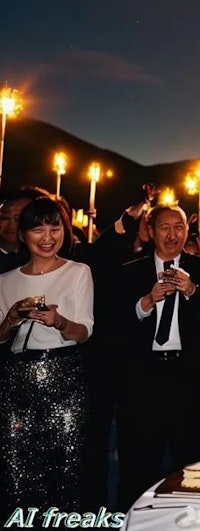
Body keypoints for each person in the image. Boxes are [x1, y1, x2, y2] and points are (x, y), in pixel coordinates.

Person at [115, 205, 200, 508]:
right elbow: (116, 326)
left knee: (191, 463)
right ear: (150, 231)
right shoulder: (130, 270)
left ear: (186, 232)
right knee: (138, 465)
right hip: (144, 380)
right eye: (165, 227)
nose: (172, 234)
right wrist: (146, 302)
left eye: (179, 227)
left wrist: (192, 290)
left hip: (190, 379)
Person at [0, 196, 94, 512]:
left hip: (65, 376)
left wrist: (59, 321)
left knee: (66, 469)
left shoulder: (79, 272)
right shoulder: (5, 281)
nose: (48, 237)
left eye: (55, 228)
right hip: (16, 382)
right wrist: (11, 318)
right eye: (38, 229)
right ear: (23, 235)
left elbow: (83, 332)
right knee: (17, 470)